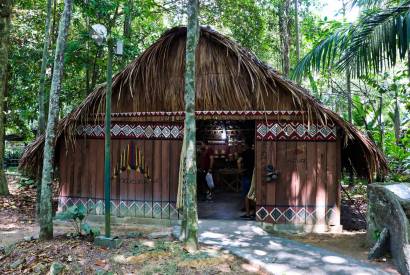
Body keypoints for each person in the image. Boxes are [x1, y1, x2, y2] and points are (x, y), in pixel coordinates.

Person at [237, 143, 255, 219]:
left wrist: (240, 170)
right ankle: (254, 212)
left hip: (246, 175)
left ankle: (247, 214)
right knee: (253, 193)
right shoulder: (254, 153)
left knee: (246, 194)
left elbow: (238, 161)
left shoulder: (244, 153)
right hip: (253, 175)